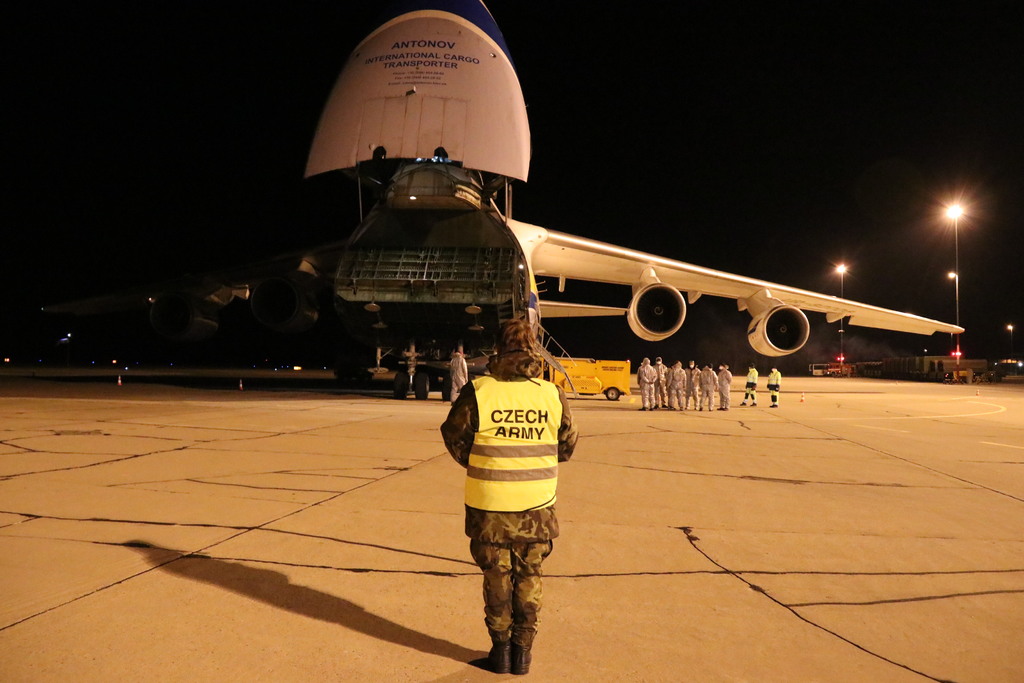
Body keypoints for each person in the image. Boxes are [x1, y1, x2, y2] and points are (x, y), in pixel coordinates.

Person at [440, 319, 578, 675]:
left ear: (498, 348)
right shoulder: (550, 393)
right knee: (530, 575)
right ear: (533, 347)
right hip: (536, 506)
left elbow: (455, 439)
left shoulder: (480, 390)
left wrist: (485, 460)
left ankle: (500, 653)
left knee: (496, 577)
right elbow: (566, 446)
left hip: (490, 506)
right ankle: (523, 653)